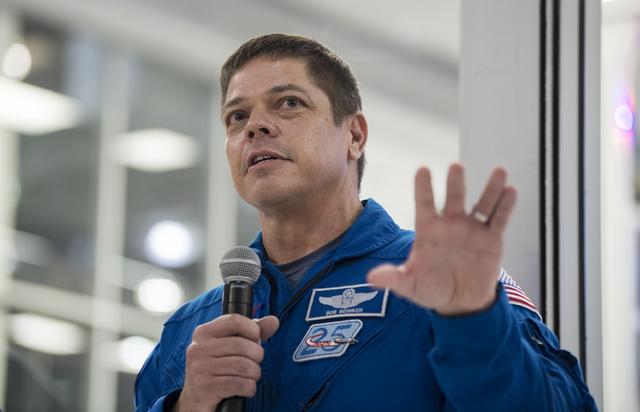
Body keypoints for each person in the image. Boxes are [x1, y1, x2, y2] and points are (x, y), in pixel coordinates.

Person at [134, 33, 597, 411]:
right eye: (237, 116)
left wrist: (475, 324)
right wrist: (188, 405)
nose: (255, 126)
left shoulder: (440, 282)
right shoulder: (188, 334)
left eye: (289, 103)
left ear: (354, 135)